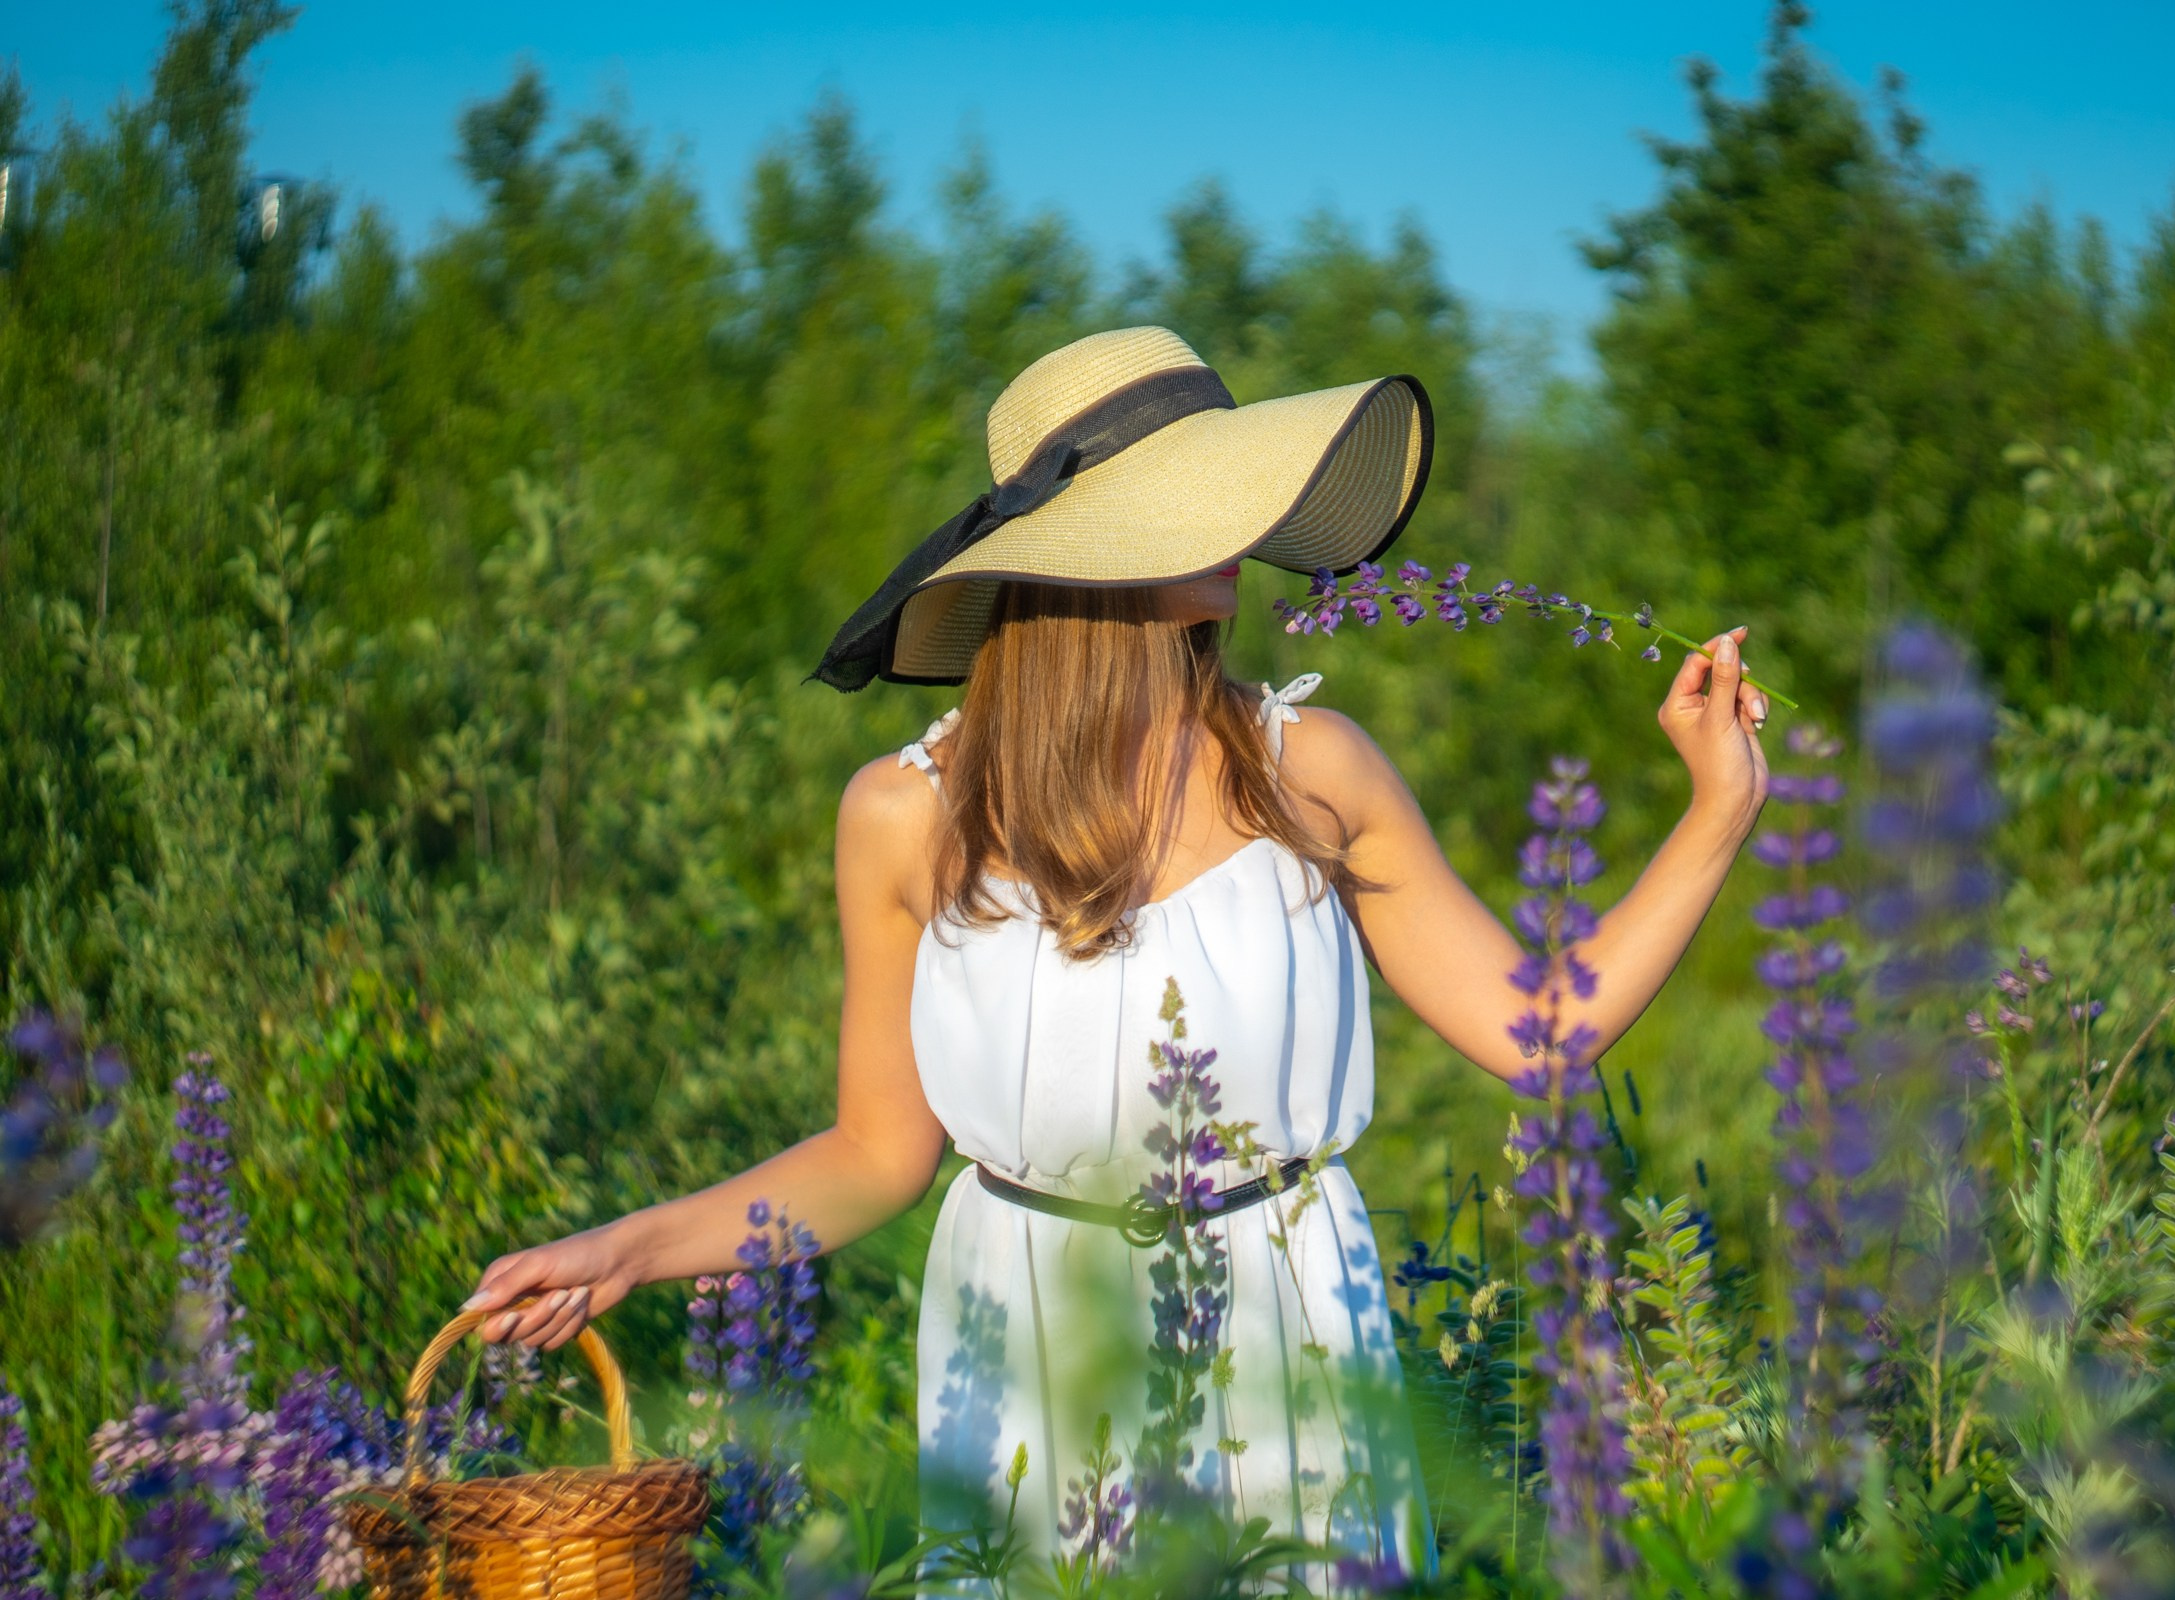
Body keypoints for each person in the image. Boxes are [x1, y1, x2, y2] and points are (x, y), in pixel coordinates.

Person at [465, 326, 1770, 1578]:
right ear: (1080, 554)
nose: (1240, 533)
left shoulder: (1310, 769)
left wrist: (1719, 812)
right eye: (1190, 496)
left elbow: (1544, 1029)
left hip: (1293, 1339)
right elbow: (875, 1156)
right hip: (1031, 1354)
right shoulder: (901, 817)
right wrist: (628, 1253)